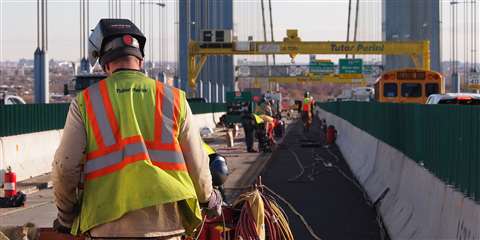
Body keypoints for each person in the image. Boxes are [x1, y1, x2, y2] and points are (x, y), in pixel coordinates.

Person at [52, 19, 221, 239]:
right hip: (167, 226)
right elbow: (197, 166)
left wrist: (66, 217)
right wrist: (208, 200)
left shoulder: (86, 103)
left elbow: (65, 167)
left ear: (104, 63)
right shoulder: (175, 99)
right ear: (140, 61)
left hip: (107, 227)